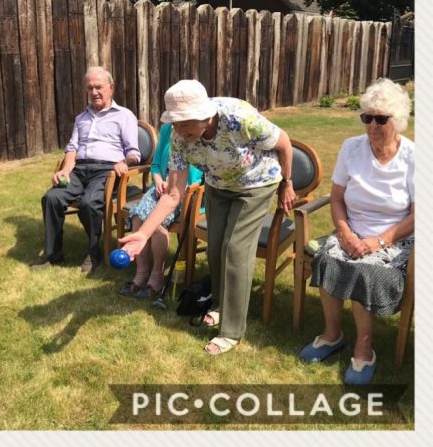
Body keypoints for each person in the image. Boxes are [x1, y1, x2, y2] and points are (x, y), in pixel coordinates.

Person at [121, 79, 296, 355]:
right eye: (174, 123)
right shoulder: (179, 137)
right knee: (216, 247)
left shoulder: (239, 118)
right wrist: (143, 233)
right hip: (218, 185)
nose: (178, 130)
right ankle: (218, 304)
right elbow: (172, 194)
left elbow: (284, 142)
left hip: (256, 183)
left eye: (184, 123)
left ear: (204, 115)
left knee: (235, 249)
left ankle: (231, 331)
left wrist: (287, 182)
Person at [299, 78, 414, 384]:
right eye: (367, 118)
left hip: (394, 237)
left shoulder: (414, 157)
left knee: (366, 270)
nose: (373, 126)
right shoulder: (351, 148)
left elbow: (418, 214)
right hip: (351, 230)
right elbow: (336, 198)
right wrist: (345, 233)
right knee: (327, 257)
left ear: (398, 120)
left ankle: (365, 349)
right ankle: (332, 334)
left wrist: (379, 241)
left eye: (381, 119)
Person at [31, 67, 140, 274]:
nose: (94, 92)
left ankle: (93, 252)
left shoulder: (124, 116)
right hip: (80, 169)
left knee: (89, 203)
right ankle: (53, 255)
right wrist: (64, 171)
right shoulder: (82, 117)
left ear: (111, 88)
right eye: (90, 88)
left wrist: (124, 162)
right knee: (51, 198)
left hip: (108, 170)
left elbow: (135, 153)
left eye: (98, 87)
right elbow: (72, 149)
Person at [117, 121, 204, 299]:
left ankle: (156, 275)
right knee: (138, 216)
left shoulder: (199, 132)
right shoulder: (167, 129)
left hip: (187, 191)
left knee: (155, 222)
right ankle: (141, 273)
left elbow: (203, 176)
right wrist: (157, 181)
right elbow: (156, 165)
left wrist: (180, 186)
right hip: (161, 187)